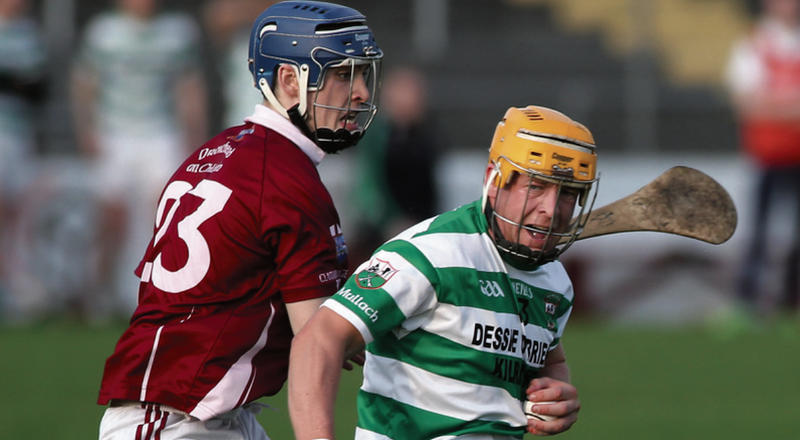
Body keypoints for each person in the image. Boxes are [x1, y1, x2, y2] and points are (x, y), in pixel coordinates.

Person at [96, 1, 383, 439]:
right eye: (343, 74)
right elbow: (318, 340)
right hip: (179, 418)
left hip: (207, 411)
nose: (360, 91)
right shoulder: (288, 178)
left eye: (363, 74)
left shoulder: (215, 151)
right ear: (289, 80)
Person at [288, 105, 597, 439]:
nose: (551, 210)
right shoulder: (431, 254)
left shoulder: (554, 282)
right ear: (494, 179)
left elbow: (550, 361)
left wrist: (558, 393)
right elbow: (317, 340)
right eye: (536, 186)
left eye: (567, 193)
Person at [71, 0, 208, 317]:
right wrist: (86, 129)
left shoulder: (177, 32)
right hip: (113, 133)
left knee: (165, 219)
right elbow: (84, 83)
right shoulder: (103, 33)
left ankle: (156, 295)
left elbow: (189, 87)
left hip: (161, 133)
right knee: (110, 218)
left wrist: (194, 134)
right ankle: (98, 297)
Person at [725, 0, 800, 313]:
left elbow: (759, 102)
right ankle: (747, 303)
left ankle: (789, 302)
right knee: (757, 232)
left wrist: (771, 105)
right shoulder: (754, 45)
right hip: (765, 157)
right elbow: (746, 104)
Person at [348, 65, 441, 266]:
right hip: (385, 228)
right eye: (409, 92)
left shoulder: (424, 133)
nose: (417, 99)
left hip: (419, 224)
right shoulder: (378, 134)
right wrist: (390, 220)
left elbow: (429, 185)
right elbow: (371, 183)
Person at [0, 0, 46, 315]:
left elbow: (37, 87)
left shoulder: (30, 34)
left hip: (18, 133)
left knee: (14, 214)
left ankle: (12, 288)